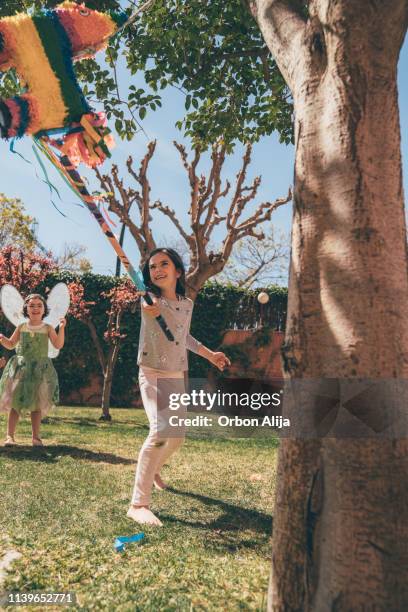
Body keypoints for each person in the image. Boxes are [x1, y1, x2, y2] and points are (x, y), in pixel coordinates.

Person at [127, 248, 231, 526]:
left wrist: (211, 355)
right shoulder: (149, 299)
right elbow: (150, 310)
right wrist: (150, 307)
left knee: (177, 437)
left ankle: (155, 470)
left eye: (164, 264)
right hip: (151, 373)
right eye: (152, 267)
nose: (157, 270)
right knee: (161, 432)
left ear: (178, 271)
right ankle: (138, 504)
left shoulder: (186, 304)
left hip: (175, 375)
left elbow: (182, 336)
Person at [0, 293, 66, 447]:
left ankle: (36, 437)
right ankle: (10, 436)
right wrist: (3, 339)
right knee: (16, 402)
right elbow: (11, 344)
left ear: (44, 309)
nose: (35, 308)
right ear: (26, 309)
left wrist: (62, 328)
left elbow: (58, 345)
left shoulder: (47, 328)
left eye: (39, 305)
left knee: (36, 404)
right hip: (20, 369)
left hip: (39, 371)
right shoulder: (21, 326)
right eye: (31, 305)